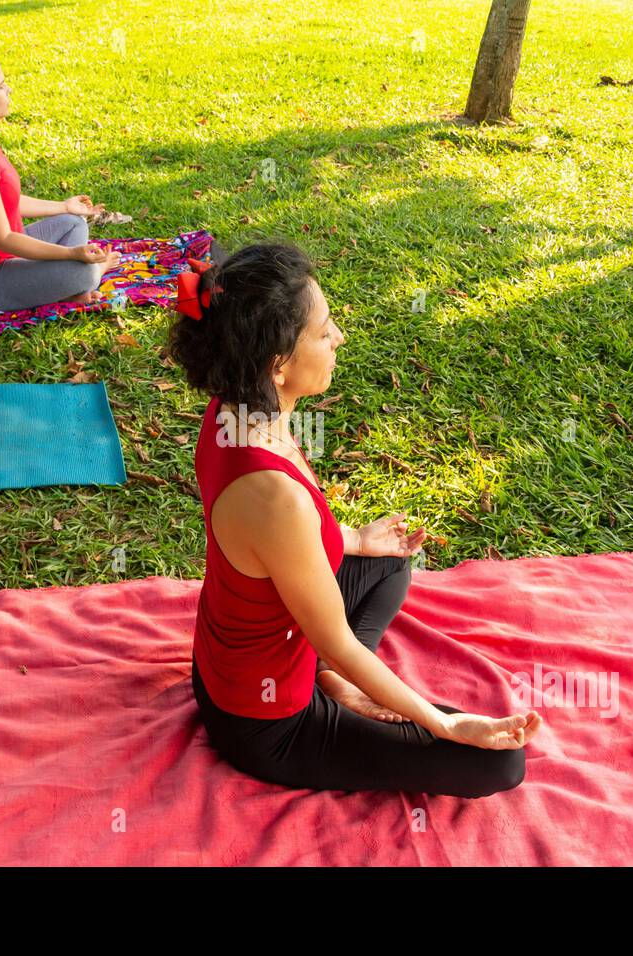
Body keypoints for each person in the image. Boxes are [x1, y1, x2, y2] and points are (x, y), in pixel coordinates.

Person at [165, 244, 543, 798]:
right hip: (266, 719)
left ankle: (332, 679)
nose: (338, 336)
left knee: (388, 563)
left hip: (233, 654)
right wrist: (446, 724)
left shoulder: (237, 408)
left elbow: (281, 548)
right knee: (498, 766)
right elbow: (336, 636)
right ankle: (332, 685)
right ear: (277, 363)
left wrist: (357, 539)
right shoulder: (270, 494)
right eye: (323, 332)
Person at [0, 53, 121, 311]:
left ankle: (66, 285)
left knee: (73, 222)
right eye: (1, 85)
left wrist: (64, 207)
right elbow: (2, 238)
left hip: (7, 255)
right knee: (84, 272)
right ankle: (82, 282)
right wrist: (72, 255)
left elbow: (8, 202)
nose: (8, 90)